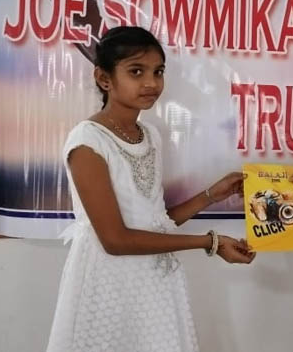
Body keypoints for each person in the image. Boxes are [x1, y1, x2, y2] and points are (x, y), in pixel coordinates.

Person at [46, 26, 254, 352]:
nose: (151, 83)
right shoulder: (88, 141)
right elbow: (115, 240)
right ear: (104, 78)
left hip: (155, 279)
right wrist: (210, 242)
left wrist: (213, 194)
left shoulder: (149, 135)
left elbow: (156, 220)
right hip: (109, 282)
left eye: (158, 72)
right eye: (136, 71)